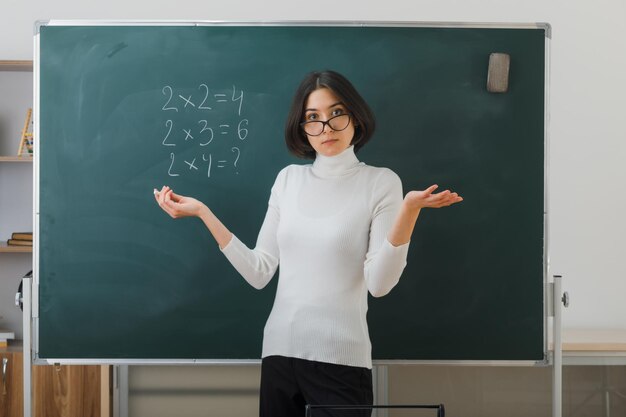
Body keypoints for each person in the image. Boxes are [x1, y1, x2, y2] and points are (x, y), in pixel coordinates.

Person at [154, 70, 462, 417]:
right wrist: (203, 213)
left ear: (355, 118)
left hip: (341, 362)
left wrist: (409, 211)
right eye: (312, 118)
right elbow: (259, 271)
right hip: (279, 355)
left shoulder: (380, 182)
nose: (325, 127)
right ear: (301, 127)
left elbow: (379, 284)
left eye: (336, 113)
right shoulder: (288, 180)